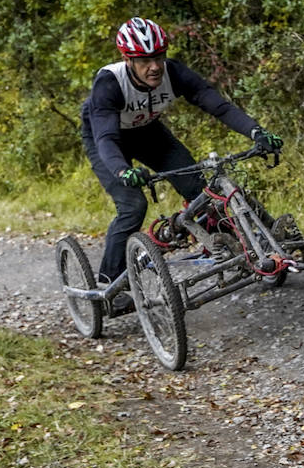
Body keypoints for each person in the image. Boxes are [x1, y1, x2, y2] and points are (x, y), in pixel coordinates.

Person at [80, 16, 283, 284]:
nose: (155, 67)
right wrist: (122, 170)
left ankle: (229, 246)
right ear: (128, 60)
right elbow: (105, 137)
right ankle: (109, 281)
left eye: (159, 57)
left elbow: (218, 106)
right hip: (105, 138)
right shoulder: (109, 83)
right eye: (144, 61)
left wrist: (256, 131)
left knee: (199, 189)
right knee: (132, 206)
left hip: (148, 132)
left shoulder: (173, 72)